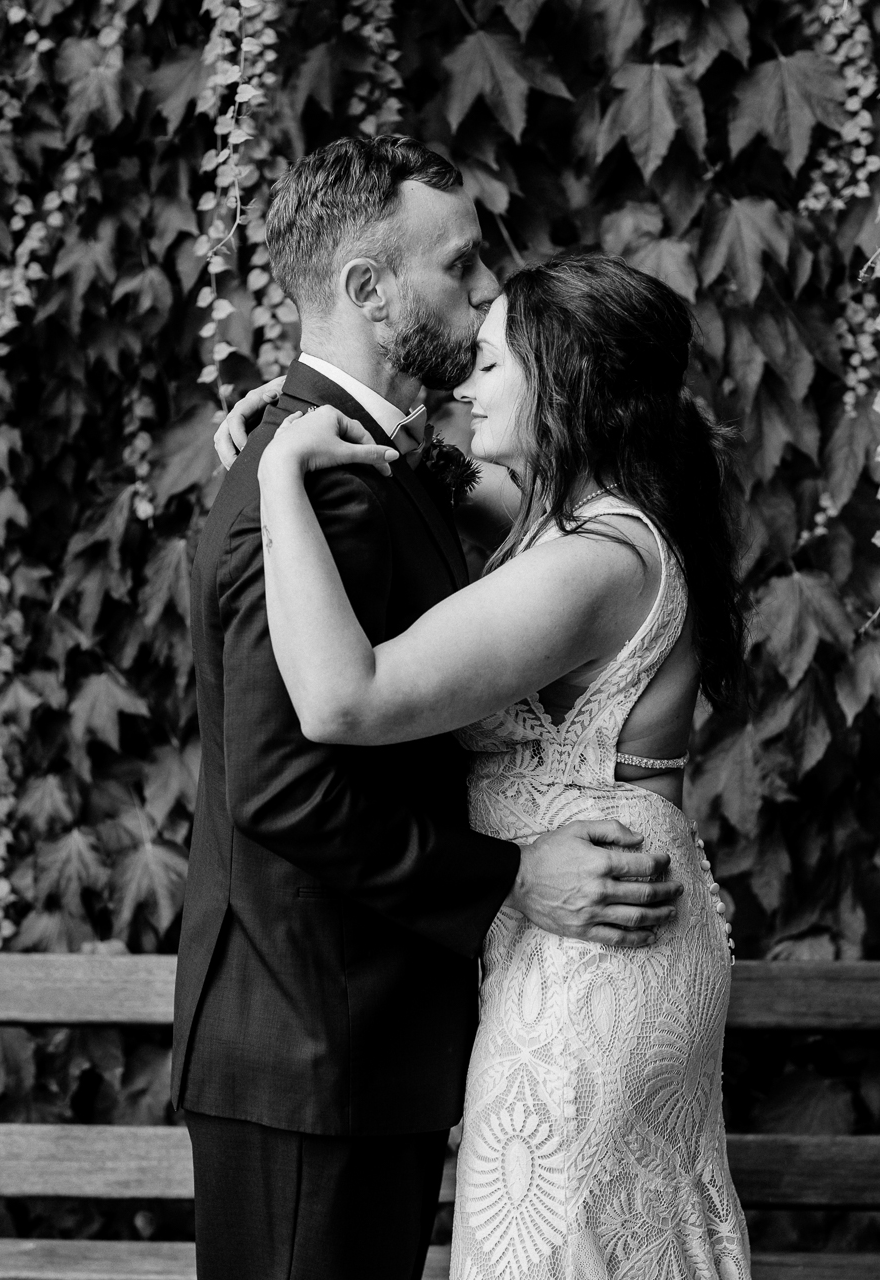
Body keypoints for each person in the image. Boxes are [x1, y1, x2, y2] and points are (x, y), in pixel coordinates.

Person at [176, 136, 684, 1280]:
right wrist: (509, 879)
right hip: (315, 1040)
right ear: (368, 289)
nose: (485, 288)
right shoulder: (312, 484)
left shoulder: (345, 462)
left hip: (360, 1040)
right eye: (459, 267)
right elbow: (281, 782)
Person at [250, 251, 753, 1279]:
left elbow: (346, 697)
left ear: (557, 377)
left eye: (488, 364)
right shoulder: (583, 526)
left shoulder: (586, 566)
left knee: (552, 1242)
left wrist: (275, 481)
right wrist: (293, 411)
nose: (463, 387)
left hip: (593, 961)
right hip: (596, 934)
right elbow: (434, 474)